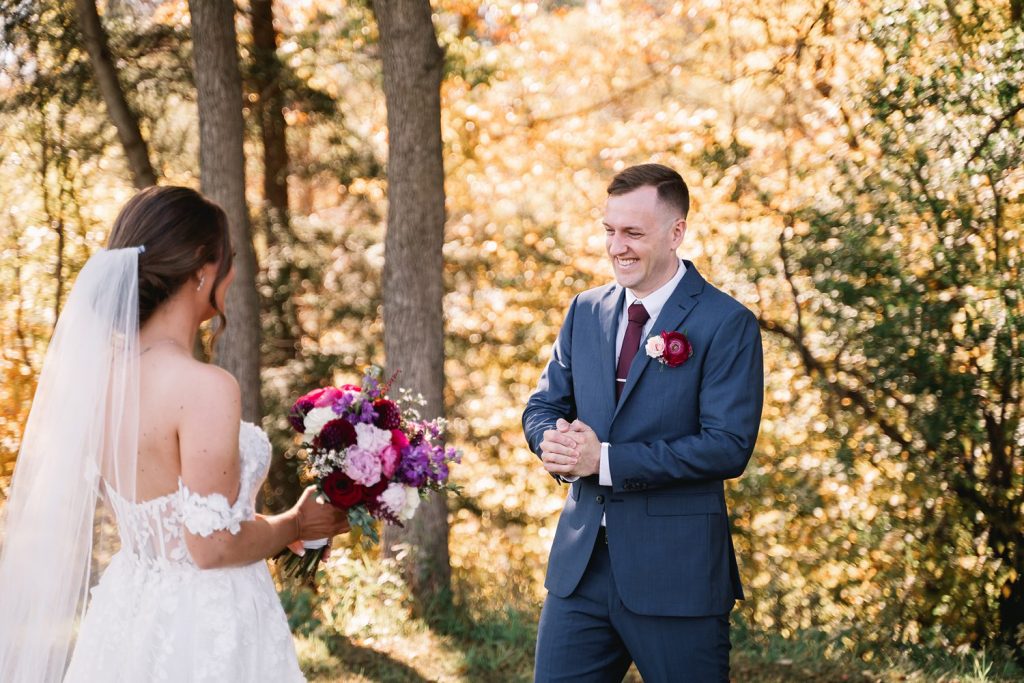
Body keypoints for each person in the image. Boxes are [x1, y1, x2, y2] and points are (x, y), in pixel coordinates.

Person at [0, 186, 350, 682]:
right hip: (204, 623)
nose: (230, 274)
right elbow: (211, 548)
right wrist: (295, 524)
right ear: (202, 269)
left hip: (130, 610)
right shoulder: (205, 388)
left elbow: (165, 524)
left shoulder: (101, 384)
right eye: (226, 260)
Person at [523, 163, 764, 682]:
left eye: (633, 232)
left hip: (676, 577)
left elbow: (727, 446)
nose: (617, 247)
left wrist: (604, 461)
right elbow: (543, 405)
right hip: (580, 569)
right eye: (609, 230)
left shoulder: (727, 323)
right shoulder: (584, 311)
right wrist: (552, 442)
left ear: (677, 232)